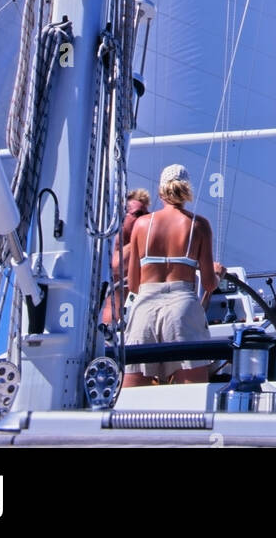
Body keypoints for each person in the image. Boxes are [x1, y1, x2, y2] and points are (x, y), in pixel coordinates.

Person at [122, 164, 218, 386]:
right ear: (186, 190)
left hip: (145, 306)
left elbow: (134, 285)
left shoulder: (142, 224)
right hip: (182, 309)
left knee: (133, 396)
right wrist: (217, 275)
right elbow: (209, 284)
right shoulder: (199, 225)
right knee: (192, 397)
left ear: (160, 191)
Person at [100, 188, 150, 329]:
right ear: (122, 217)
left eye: (147, 215)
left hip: (134, 324)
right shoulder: (113, 245)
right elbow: (117, 265)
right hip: (111, 327)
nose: (144, 219)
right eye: (138, 214)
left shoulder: (142, 246)